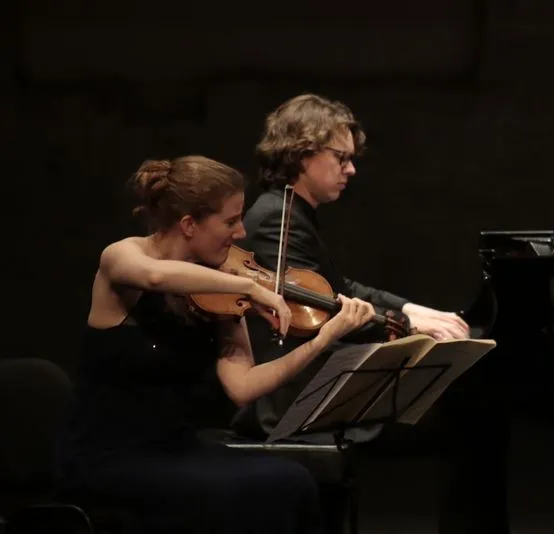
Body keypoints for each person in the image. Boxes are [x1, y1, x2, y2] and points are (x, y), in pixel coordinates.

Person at [229, 93, 511, 534]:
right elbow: (324, 310)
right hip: (294, 396)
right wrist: (405, 325)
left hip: (314, 379)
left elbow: (340, 290)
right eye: (340, 158)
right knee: (470, 412)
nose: (351, 170)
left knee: (470, 408)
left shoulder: (293, 212)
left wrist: (409, 308)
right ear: (302, 153)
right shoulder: (276, 219)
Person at [54, 155, 379, 534]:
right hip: (106, 457)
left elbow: (243, 387)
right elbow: (154, 276)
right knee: (229, 497)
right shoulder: (124, 256)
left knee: (293, 482)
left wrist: (323, 339)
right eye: (230, 221)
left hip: (178, 449)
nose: (241, 232)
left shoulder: (218, 288)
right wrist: (250, 286)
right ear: (189, 225)